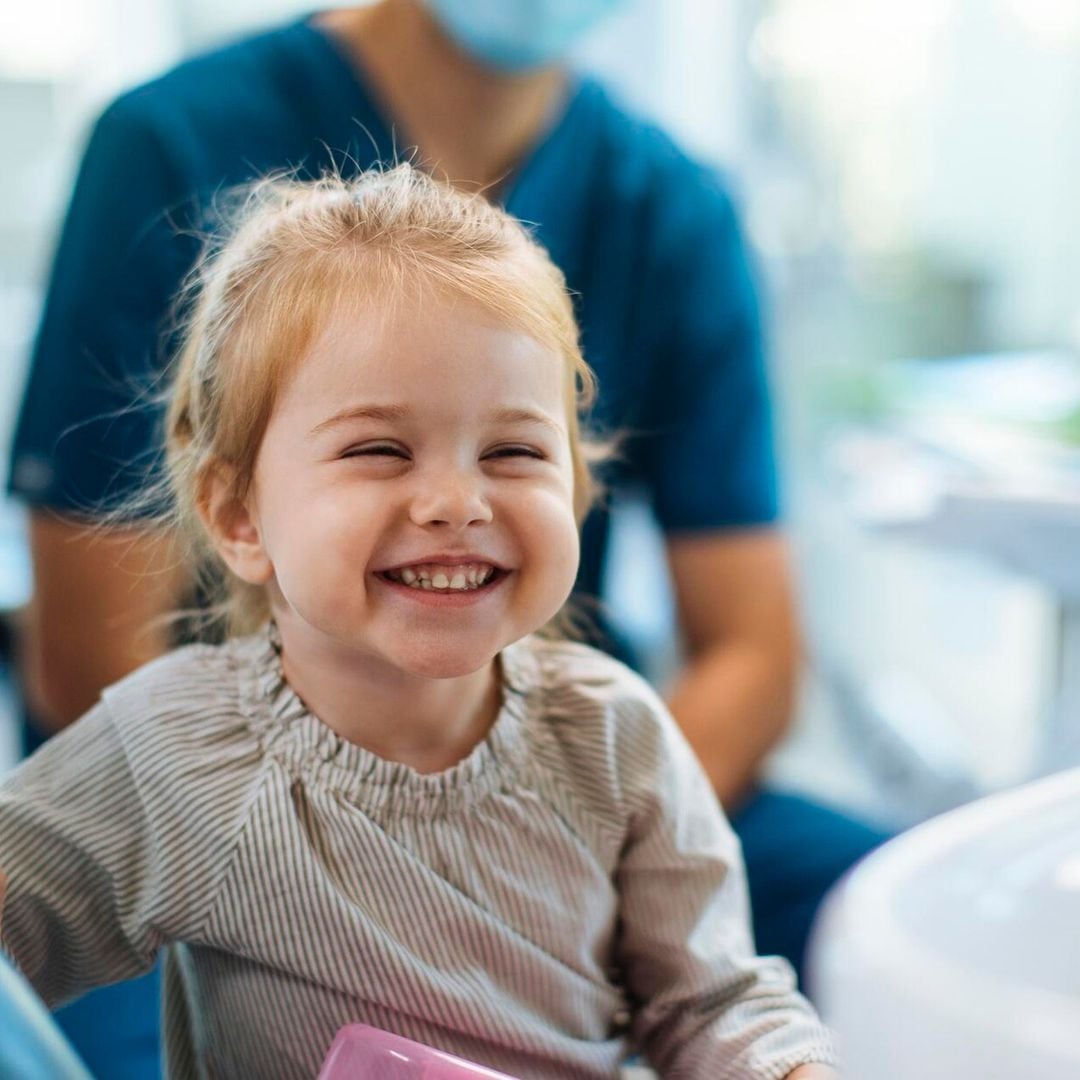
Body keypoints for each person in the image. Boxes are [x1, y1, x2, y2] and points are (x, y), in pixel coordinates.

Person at [8, 0, 888, 1073]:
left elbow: (717, 999)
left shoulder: (617, 740)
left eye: (516, 455)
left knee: (904, 916)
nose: (455, 501)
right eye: (380, 451)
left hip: (577, 818)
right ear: (237, 514)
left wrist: (561, 870)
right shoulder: (180, 756)